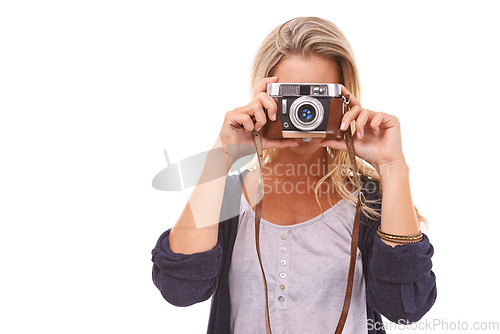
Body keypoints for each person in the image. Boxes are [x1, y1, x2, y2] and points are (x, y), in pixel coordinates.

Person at [151, 16, 437, 334]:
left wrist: (393, 168)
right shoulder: (228, 196)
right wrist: (222, 156)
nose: (305, 112)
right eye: (292, 97)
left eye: (319, 98)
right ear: (263, 97)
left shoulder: (367, 200)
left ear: (345, 101)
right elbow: (180, 290)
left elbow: (405, 307)